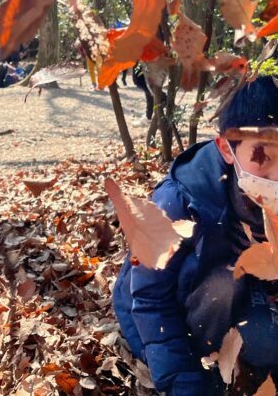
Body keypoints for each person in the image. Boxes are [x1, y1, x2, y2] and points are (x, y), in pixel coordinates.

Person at [113, 76, 278, 395]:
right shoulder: (180, 200)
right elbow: (148, 297)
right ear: (227, 149)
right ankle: (202, 369)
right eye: (262, 156)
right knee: (223, 282)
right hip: (174, 309)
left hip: (248, 296)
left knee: (267, 345)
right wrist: (181, 381)